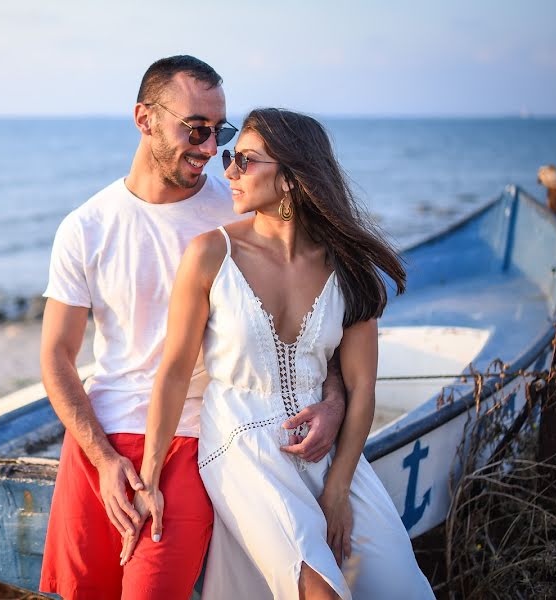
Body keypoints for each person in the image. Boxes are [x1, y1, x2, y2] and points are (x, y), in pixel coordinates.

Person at [39, 58, 346, 600]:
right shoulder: (85, 227)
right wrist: (104, 459)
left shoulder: (240, 217)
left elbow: (315, 325)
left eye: (220, 132)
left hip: (191, 438)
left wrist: (335, 402)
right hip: (97, 443)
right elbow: (57, 359)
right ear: (145, 119)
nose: (210, 149)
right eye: (196, 129)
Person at [126, 109, 436, 599]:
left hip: (333, 454)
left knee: (399, 584)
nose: (227, 171)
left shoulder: (349, 269)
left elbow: (361, 388)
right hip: (239, 444)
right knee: (320, 590)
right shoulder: (211, 254)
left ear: (292, 178)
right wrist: (149, 481)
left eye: (244, 161)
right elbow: (173, 373)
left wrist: (338, 489)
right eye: (231, 158)